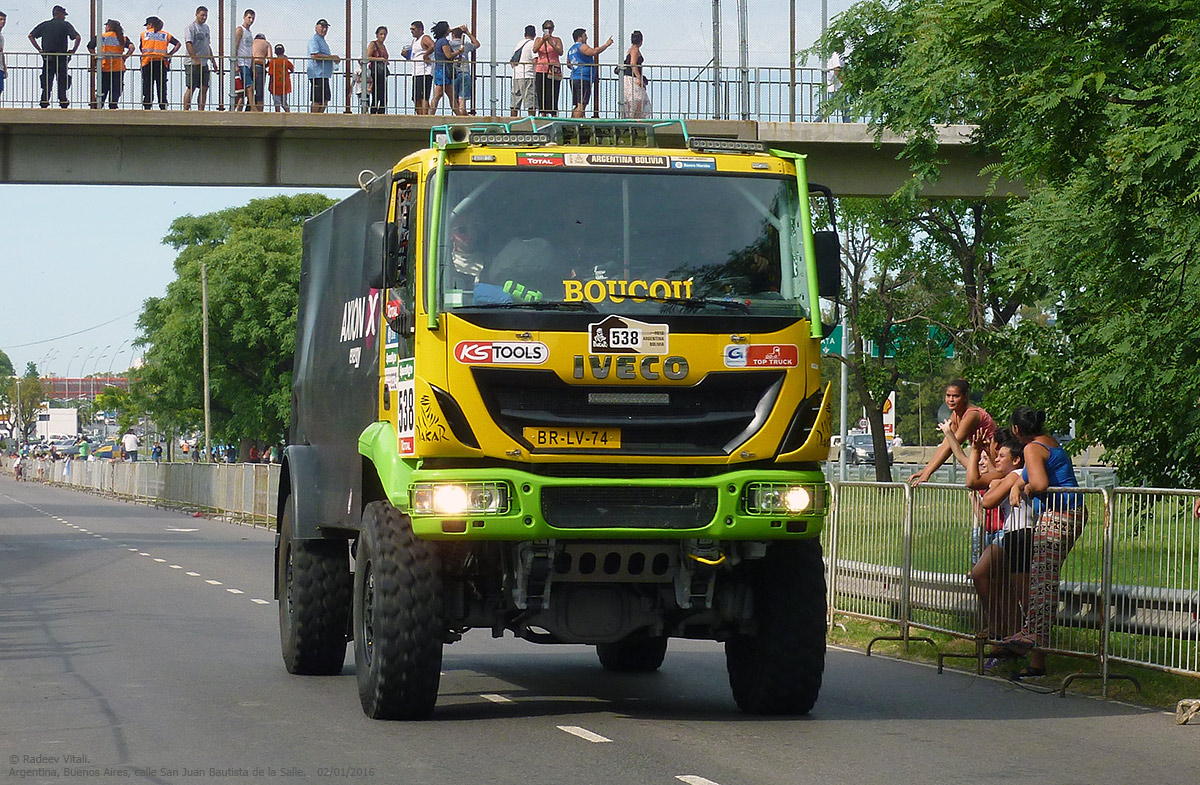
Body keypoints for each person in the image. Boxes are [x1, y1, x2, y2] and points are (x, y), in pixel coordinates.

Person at [999, 406, 1086, 679]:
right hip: (1072, 512)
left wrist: (1021, 487)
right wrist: (1017, 484)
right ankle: (1036, 656)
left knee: (1042, 581)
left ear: (1016, 430)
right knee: (1042, 579)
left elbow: (1038, 483)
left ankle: (1033, 637)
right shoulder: (1051, 443)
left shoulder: (1032, 449)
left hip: (1059, 515)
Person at [943, 424, 1032, 644]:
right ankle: (1004, 631)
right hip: (1010, 536)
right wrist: (974, 451)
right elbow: (972, 481)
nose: (996, 458)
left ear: (1016, 460)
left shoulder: (1014, 476)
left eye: (1000, 455)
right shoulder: (1005, 476)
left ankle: (1010, 632)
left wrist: (1001, 484)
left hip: (1021, 535)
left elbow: (988, 502)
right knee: (996, 582)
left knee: (1011, 588)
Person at [909, 379, 996, 487]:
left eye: (955, 396)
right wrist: (926, 470)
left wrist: (928, 473)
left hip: (993, 460)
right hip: (981, 460)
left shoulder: (972, 415)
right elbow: (946, 444)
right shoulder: (955, 415)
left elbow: (952, 446)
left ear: (965, 397)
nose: (951, 399)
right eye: (948, 395)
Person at [29, 5, 81, 109]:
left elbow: (31, 36)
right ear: (60, 14)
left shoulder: (45, 25)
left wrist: (40, 50)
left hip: (48, 57)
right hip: (62, 57)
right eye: (64, 15)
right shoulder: (65, 25)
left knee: (47, 79)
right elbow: (77, 37)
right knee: (62, 79)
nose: (64, 17)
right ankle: (63, 100)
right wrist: (73, 51)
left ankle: (44, 101)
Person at [87, 19, 133, 109]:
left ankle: (99, 104)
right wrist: (125, 57)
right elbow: (132, 47)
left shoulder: (101, 36)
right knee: (116, 88)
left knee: (103, 87)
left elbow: (90, 46)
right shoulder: (122, 38)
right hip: (118, 67)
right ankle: (113, 105)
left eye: (106, 26)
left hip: (104, 66)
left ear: (109, 27)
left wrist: (96, 56)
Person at [567, 28, 612, 118]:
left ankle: (573, 121)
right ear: (579, 37)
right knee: (581, 105)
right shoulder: (581, 46)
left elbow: (569, 64)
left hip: (574, 77)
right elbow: (594, 52)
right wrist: (606, 45)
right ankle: (576, 123)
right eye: (584, 35)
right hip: (583, 78)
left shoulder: (571, 50)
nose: (586, 37)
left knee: (578, 104)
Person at [139, 17, 180, 110]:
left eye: (147, 25)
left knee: (147, 84)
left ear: (150, 24)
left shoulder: (143, 34)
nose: (146, 28)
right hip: (161, 63)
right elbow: (178, 44)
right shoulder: (165, 35)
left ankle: (147, 105)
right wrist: (169, 54)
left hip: (147, 62)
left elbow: (141, 48)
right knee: (161, 85)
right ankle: (163, 105)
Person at [183, 6, 217, 110]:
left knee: (204, 87)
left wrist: (213, 62)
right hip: (192, 63)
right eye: (202, 15)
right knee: (191, 87)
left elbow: (207, 45)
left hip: (204, 63)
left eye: (206, 15)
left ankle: (201, 109)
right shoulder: (191, 27)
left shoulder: (206, 28)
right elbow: (188, 44)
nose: (204, 17)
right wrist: (195, 59)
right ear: (197, 14)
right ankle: (186, 110)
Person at [308, 19, 340, 113]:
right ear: (316, 27)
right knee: (317, 99)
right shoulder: (314, 40)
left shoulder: (322, 41)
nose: (324, 29)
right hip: (317, 74)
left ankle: (319, 117)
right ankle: (313, 119)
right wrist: (331, 57)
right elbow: (314, 55)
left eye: (326, 27)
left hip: (324, 75)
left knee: (325, 99)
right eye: (322, 27)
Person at [428, 21, 460, 115]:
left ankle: (458, 115)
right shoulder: (443, 41)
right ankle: (431, 115)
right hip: (443, 70)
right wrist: (458, 52)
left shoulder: (438, 41)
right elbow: (448, 55)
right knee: (438, 95)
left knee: (450, 95)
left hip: (440, 69)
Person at [532, 19, 563, 115]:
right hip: (541, 69)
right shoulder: (538, 39)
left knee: (553, 91)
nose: (548, 30)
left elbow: (560, 52)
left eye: (550, 28)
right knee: (541, 91)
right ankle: (543, 112)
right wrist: (543, 41)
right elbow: (535, 50)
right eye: (546, 28)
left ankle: (553, 112)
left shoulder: (557, 40)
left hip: (553, 68)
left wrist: (551, 42)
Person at [402, 21, 434, 115]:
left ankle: (424, 115)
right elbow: (414, 55)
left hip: (425, 71)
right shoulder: (414, 41)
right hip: (416, 71)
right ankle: (420, 114)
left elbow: (432, 45)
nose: (412, 31)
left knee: (423, 96)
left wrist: (425, 56)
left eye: (413, 29)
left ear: (420, 29)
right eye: (411, 29)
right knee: (415, 97)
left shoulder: (424, 38)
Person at [450, 25, 479, 116]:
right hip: (465, 73)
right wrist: (467, 32)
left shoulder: (449, 44)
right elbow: (477, 44)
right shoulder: (466, 44)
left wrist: (451, 30)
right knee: (462, 99)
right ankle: (464, 113)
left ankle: (460, 115)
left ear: (453, 35)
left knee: (454, 99)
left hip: (453, 73)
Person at [620, 30, 649, 119]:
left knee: (635, 100)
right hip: (632, 78)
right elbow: (633, 64)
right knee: (639, 99)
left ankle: (633, 117)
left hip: (630, 77)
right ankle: (634, 118)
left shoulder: (631, 49)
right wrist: (639, 77)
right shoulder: (635, 50)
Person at [509, 25, 537, 117]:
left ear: (524, 34)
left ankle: (512, 121)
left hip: (516, 75)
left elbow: (512, 62)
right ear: (535, 34)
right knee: (531, 102)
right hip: (528, 75)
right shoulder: (533, 44)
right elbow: (535, 60)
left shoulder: (519, 44)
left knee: (515, 103)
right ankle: (531, 122)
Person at [233, 9, 255, 111]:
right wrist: (236, 64)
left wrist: (253, 65)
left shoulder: (250, 33)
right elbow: (235, 46)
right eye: (249, 17)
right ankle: (253, 108)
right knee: (249, 87)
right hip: (241, 63)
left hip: (248, 63)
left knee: (242, 92)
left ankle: (237, 110)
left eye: (253, 18)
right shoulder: (240, 29)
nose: (251, 20)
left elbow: (250, 50)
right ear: (244, 17)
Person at [364, 26, 389, 114]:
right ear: (377, 35)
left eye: (385, 34)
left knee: (383, 96)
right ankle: (373, 112)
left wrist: (385, 61)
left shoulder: (383, 46)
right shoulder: (373, 44)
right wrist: (380, 59)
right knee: (376, 94)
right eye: (381, 34)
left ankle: (382, 112)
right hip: (375, 72)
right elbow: (367, 57)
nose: (383, 36)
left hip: (382, 73)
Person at [268, 43, 293, 112]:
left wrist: (270, 85)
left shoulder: (273, 62)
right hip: (285, 85)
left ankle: (277, 116)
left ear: (275, 52)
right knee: (284, 103)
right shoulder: (286, 61)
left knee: (277, 103)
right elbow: (292, 69)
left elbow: (271, 74)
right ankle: (288, 114)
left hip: (275, 85)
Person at [0, 11, 8, 102]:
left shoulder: (1, 37)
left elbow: (2, 53)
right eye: (0, 19)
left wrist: (4, 67)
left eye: (4, 20)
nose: (2, 22)